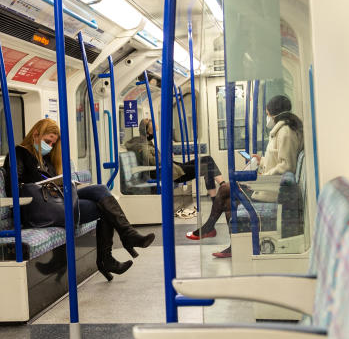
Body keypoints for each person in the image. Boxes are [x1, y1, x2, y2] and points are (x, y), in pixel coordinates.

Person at [2, 118, 154, 281]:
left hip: (54, 202)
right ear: (35, 134)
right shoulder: (19, 153)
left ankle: (125, 237)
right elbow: (14, 188)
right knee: (102, 207)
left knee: (100, 189)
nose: (50, 147)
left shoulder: (46, 160)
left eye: (53, 144)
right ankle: (115, 250)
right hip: (36, 209)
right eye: (47, 141)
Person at [186, 94, 304, 258]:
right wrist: (261, 160)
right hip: (271, 184)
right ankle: (230, 243)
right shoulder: (281, 131)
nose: (267, 117)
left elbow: (287, 166)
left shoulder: (285, 132)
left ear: (274, 113)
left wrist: (261, 178)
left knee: (227, 189)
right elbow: (277, 159)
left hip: (274, 189)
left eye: (267, 113)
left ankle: (209, 228)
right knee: (228, 200)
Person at [124, 117, 226, 200]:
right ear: (147, 132)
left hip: (173, 167)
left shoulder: (146, 143)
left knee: (207, 159)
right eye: (153, 131)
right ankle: (219, 195)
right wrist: (165, 158)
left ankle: (222, 187)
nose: (155, 133)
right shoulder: (142, 145)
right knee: (207, 167)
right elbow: (150, 161)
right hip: (171, 173)